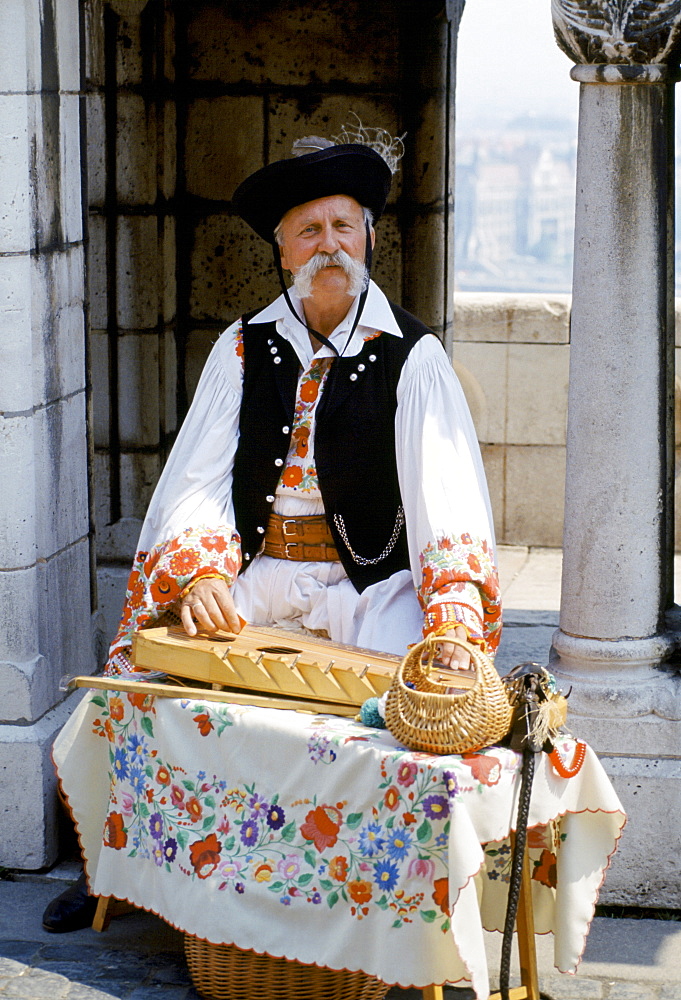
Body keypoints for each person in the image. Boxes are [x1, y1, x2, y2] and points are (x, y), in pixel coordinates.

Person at [42, 121, 501, 933]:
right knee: (146, 684)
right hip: (258, 573)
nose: (329, 245)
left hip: (370, 582)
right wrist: (201, 576)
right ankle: (118, 862)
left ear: (368, 237)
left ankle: (383, 896)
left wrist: (454, 612)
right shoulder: (243, 348)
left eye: (342, 226)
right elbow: (197, 480)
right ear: (283, 251)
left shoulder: (413, 357)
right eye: (308, 231)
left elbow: (447, 499)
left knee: (427, 710)